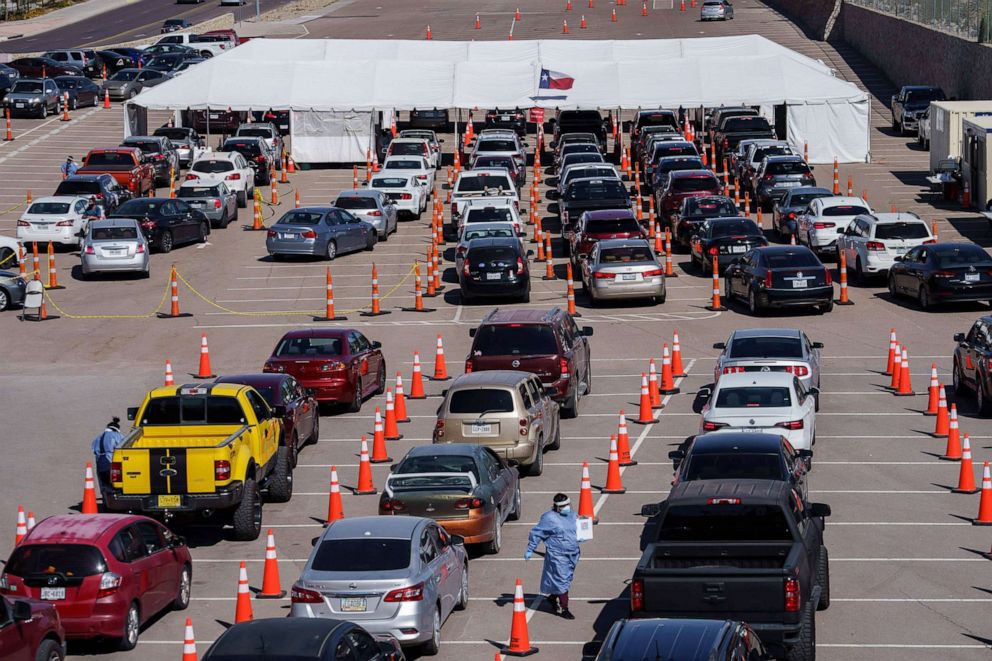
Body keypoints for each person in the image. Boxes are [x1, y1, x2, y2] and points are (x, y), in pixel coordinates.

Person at [525, 492, 582, 619]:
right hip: (558, 555)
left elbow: (577, 529)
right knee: (562, 580)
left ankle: (552, 598)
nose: (567, 507)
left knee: (566, 579)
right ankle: (564, 608)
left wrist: (583, 534)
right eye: (564, 506)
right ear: (556, 507)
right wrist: (530, 548)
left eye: (568, 504)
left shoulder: (573, 515)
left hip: (573, 553)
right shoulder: (549, 518)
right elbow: (537, 533)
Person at [90, 417, 124, 493]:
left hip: (100, 461)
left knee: (104, 484)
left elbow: (94, 449)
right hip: (111, 461)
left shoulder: (98, 437)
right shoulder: (117, 435)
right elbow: (123, 446)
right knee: (116, 484)